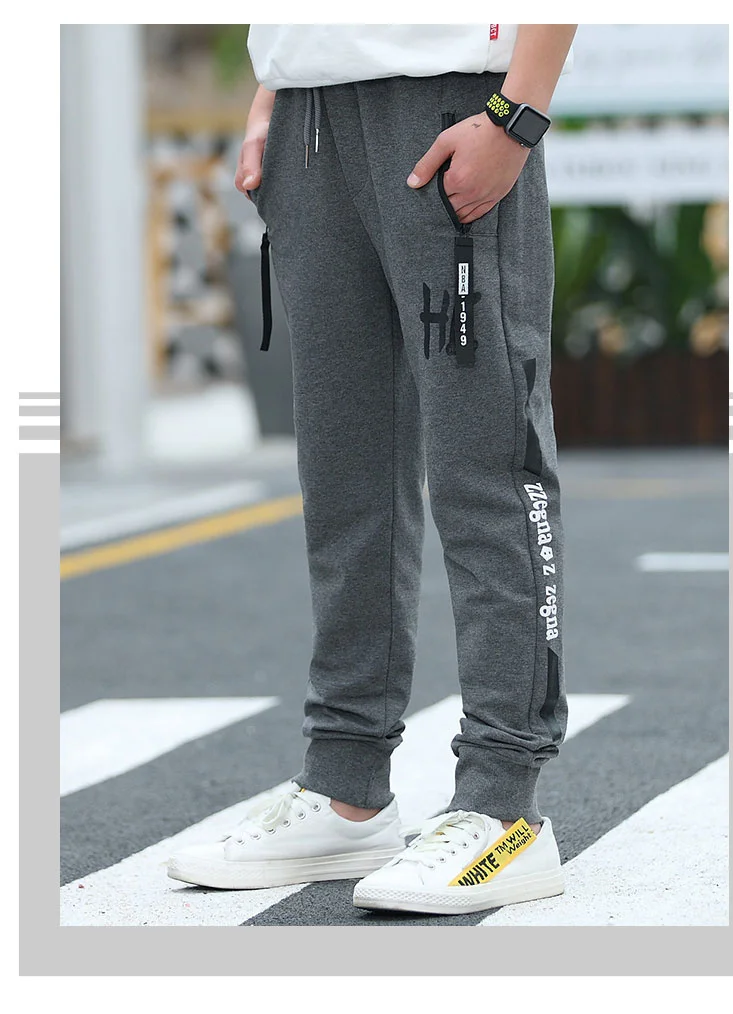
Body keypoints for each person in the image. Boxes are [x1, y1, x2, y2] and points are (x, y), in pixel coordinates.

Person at [168, 22, 577, 916]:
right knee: (344, 477)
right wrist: (274, 93)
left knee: (485, 466)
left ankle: (504, 803)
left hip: (449, 106)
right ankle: (346, 787)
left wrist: (517, 115)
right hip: (309, 123)